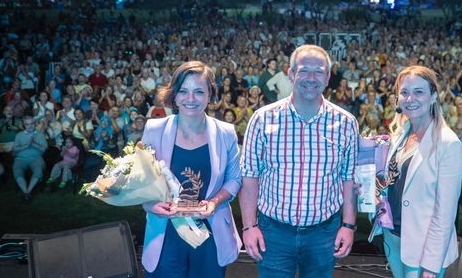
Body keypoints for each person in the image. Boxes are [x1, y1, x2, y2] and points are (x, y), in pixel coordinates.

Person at [240, 44, 359, 278]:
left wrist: (348, 225)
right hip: (273, 232)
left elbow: (348, 179)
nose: (311, 78)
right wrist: (249, 226)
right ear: (291, 73)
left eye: (319, 71)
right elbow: (250, 176)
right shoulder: (263, 119)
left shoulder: (346, 123)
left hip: (324, 233)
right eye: (304, 70)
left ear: (328, 78)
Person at [140, 61, 242, 277]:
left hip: (210, 234)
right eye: (183, 91)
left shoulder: (226, 133)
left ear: (210, 94)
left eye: (198, 92)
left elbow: (234, 179)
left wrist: (214, 202)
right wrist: (149, 204)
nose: (190, 99)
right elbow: (142, 180)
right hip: (165, 233)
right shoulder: (154, 129)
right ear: (174, 95)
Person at [377, 65, 462, 278]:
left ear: (433, 96)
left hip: (424, 247)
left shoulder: (448, 144)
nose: (410, 98)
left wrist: (431, 266)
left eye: (419, 92)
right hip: (393, 238)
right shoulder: (400, 135)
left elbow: (445, 215)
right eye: (404, 92)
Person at [12, 115, 48, 201]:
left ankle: (27, 192)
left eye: (32, 123)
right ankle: (26, 192)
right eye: (27, 124)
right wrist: (26, 145)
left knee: (38, 170)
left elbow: (44, 149)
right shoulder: (19, 135)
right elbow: (14, 149)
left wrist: (34, 144)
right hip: (20, 158)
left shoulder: (39, 134)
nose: (30, 126)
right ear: (24, 125)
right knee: (17, 170)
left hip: (36, 158)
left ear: (35, 124)